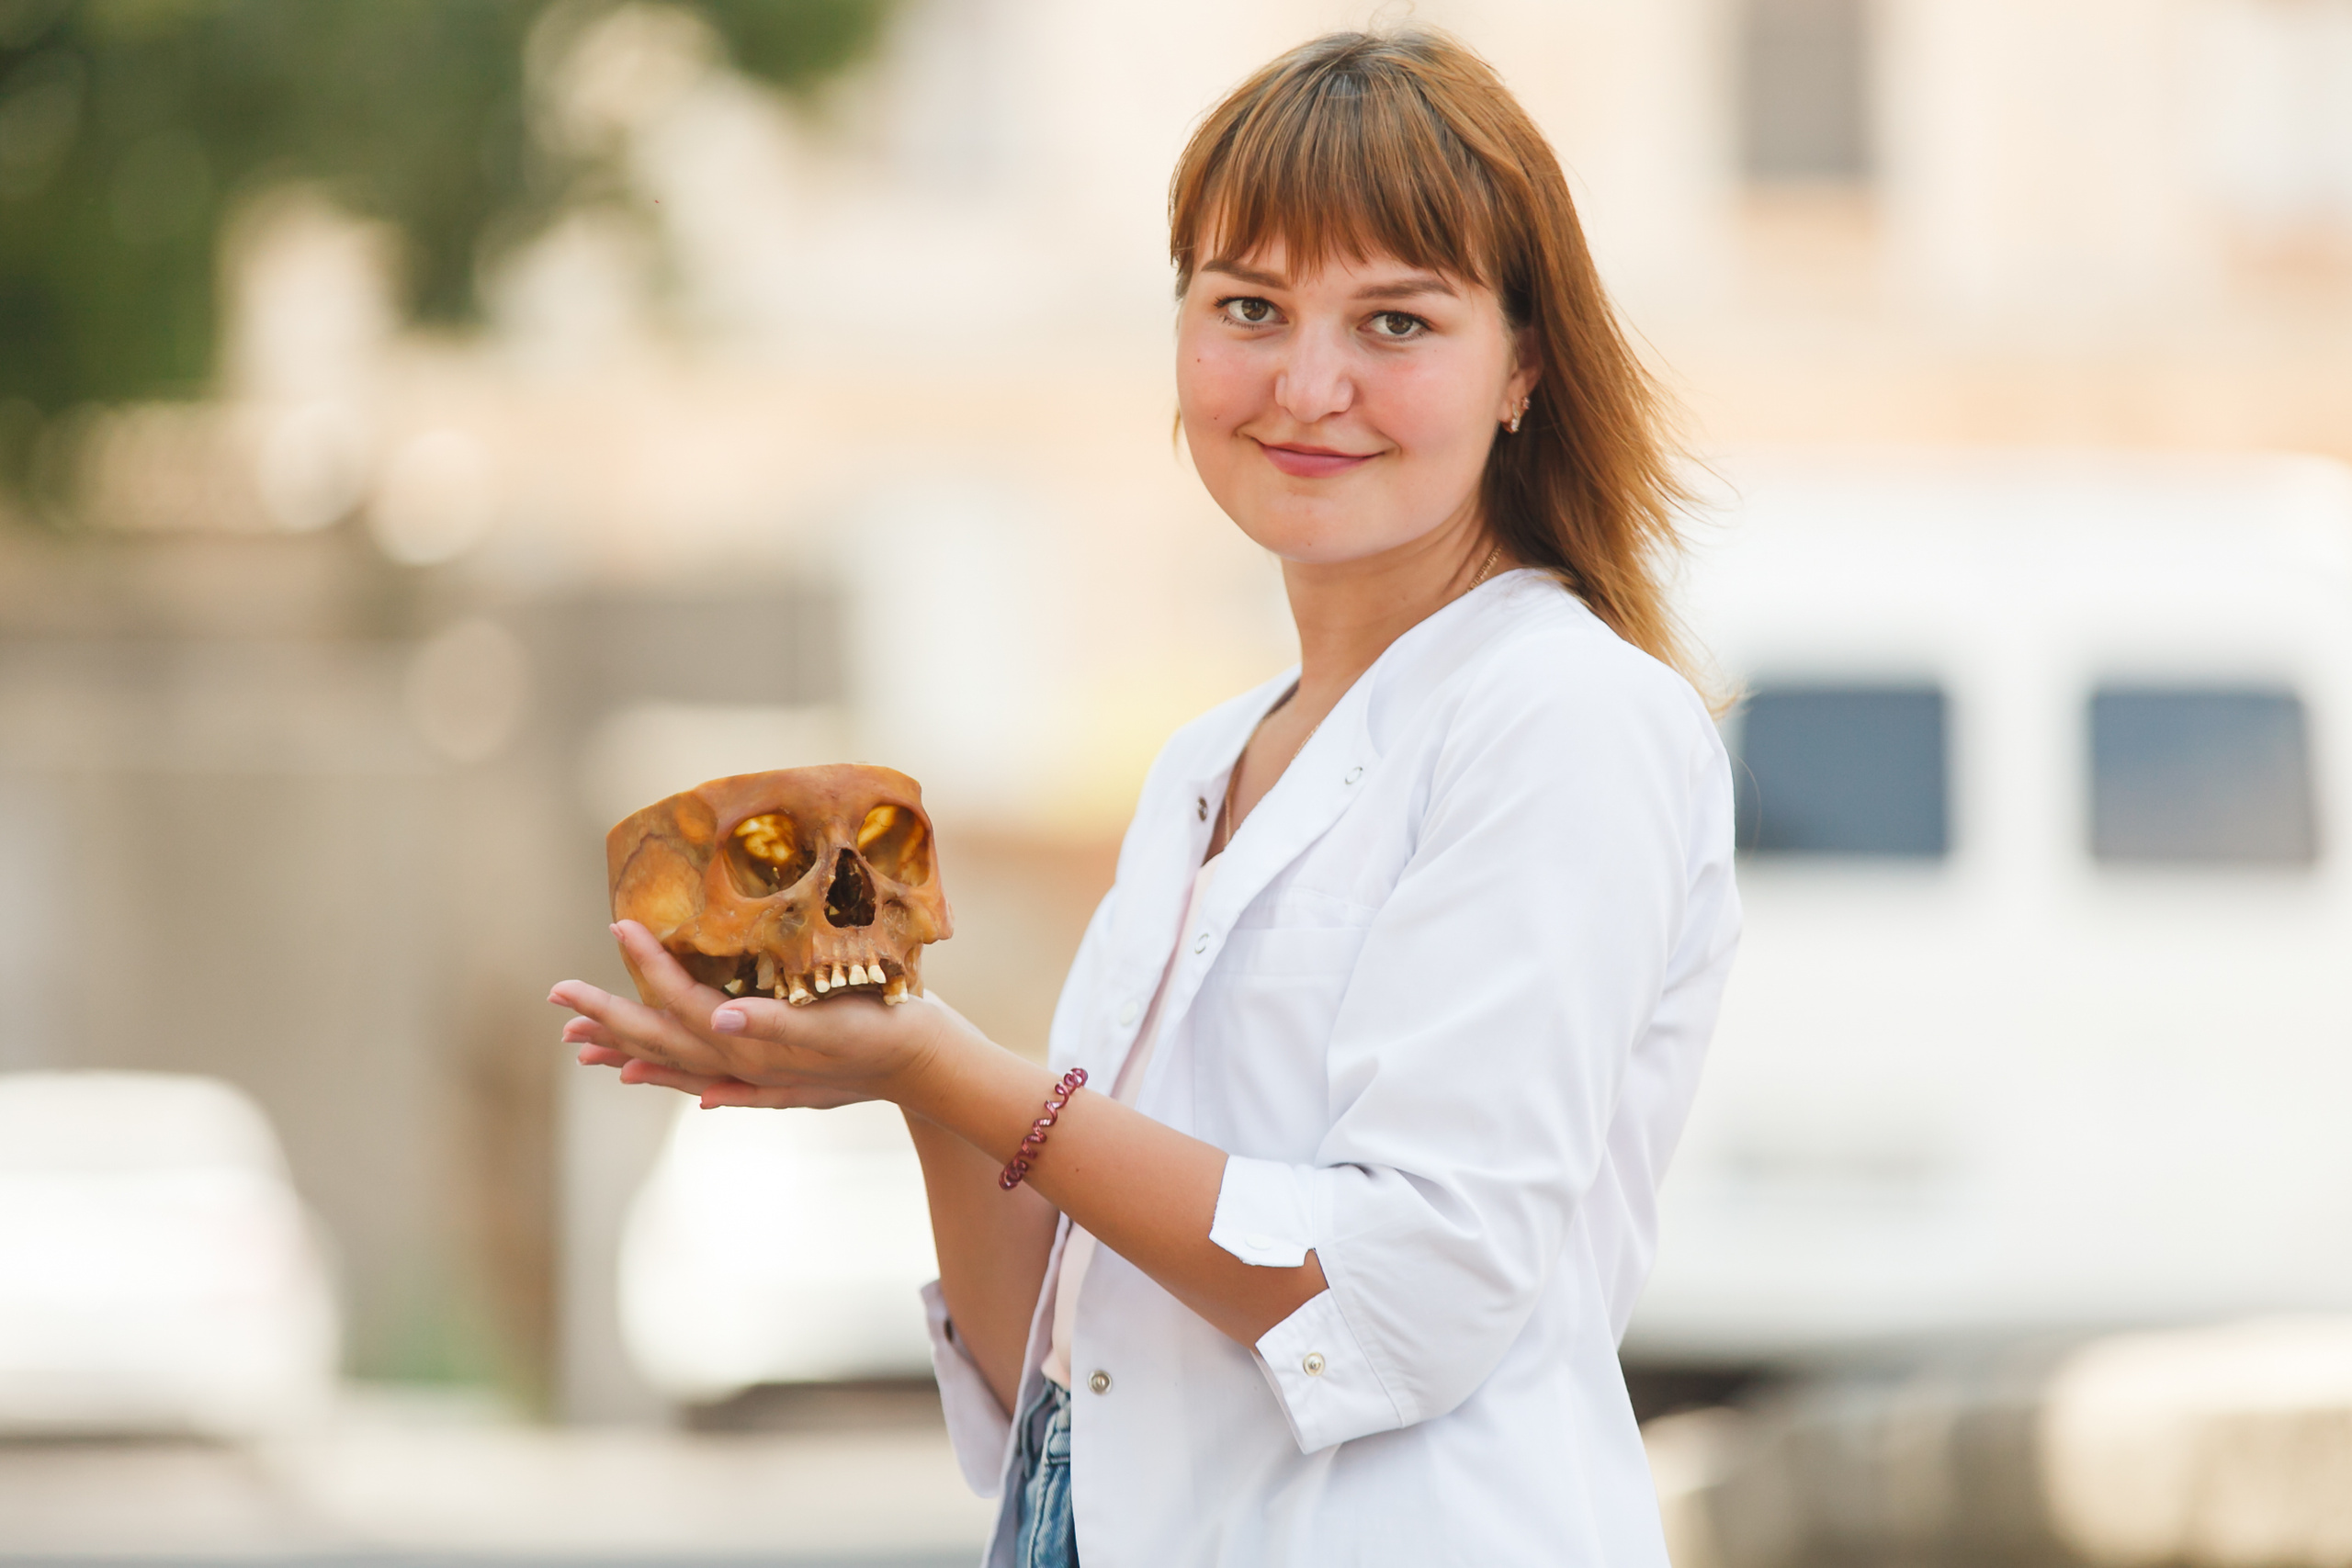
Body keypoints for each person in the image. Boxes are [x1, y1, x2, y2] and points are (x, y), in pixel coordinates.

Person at [553, 28, 1738, 1568]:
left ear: (1523, 366)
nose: (1307, 385)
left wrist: (966, 1073)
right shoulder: (1205, 763)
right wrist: (906, 1072)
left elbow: (1410, 1292)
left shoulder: (1565, 719)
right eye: (1248, 307)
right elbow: (1041, 1351)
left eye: (1395, 321)